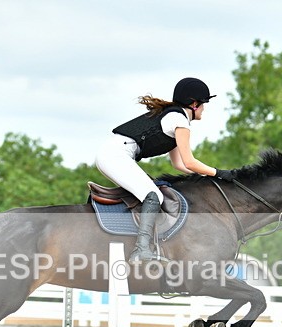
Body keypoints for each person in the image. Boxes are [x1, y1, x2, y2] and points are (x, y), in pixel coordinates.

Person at [95, 77, 237, 264]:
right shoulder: (180, 121)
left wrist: (207, 176)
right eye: (203, 104)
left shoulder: (174, 117)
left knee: (150, 192)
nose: (204, 109)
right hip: (115, 156)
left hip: (113, 154)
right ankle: (141, 250)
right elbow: (190, 162)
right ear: (194, 104)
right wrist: (218, 173)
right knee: (153, 196)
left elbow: (179, 164)